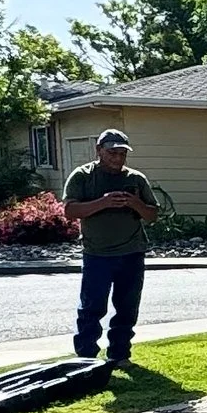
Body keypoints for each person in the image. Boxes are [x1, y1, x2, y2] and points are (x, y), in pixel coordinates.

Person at [62, 125, 159, 368]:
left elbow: (152, 215)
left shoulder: (135, 179)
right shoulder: (83, 176)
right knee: (92, 308)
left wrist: (135, 203)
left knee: (127, 308)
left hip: (132, 252)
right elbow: (70, 211)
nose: (117, 158)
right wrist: (103, 203)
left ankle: (119, 354)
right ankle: (85, 358)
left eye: (122, 154)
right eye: (112, 153)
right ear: (99, 151)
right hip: (97, 254)